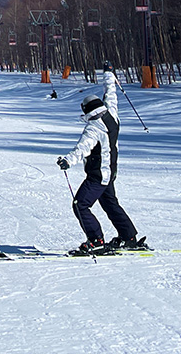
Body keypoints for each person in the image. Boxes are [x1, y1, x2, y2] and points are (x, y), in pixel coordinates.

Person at [57, 66, 145, 255]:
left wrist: (67, 161)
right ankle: (128, 236)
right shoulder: (111, 114)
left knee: (80, 205)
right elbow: (110, 92)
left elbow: (82, 148)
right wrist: (108, 73)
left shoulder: (93, 128)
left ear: (87, 110)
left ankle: (96, 240)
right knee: (110, 203)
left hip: (98, 175)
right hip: (110, 172)